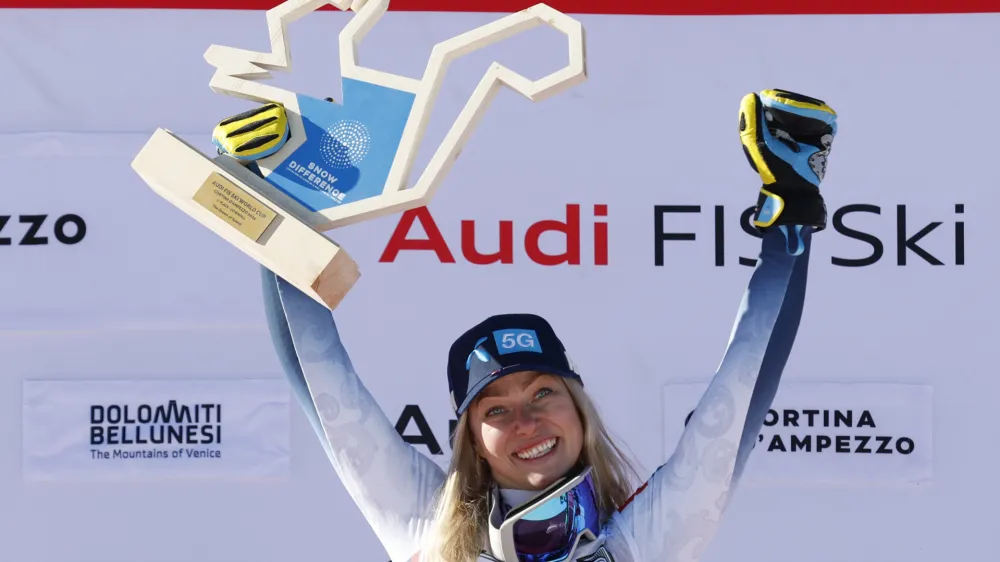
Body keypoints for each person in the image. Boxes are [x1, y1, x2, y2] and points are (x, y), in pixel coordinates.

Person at [211, 88, 838, 562]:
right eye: (497, 410)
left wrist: (791, 208)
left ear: (579, 409)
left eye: (543, 393)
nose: (528, 423)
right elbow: (326, 387)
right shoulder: (431, 532)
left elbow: (743, 389)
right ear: (470, 441)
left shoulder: (645, 539)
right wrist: (274, 213)